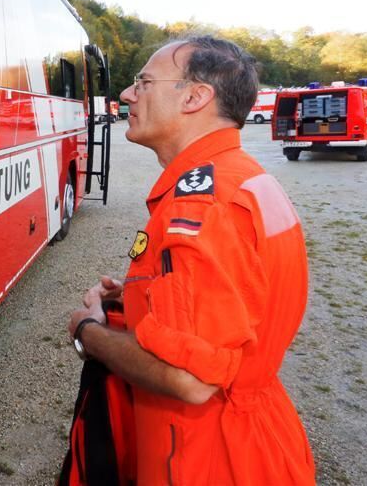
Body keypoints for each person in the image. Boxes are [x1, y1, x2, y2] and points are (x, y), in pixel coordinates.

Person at [67, 36, 315, 484]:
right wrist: (142, 297)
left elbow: (190, 380)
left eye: (143, 82)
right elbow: (243, 298)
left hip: (207, 460)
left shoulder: (200, 204)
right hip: (253, 442)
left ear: (196, 97)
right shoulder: (245, 178)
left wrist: (88, 331)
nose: (126, 94)